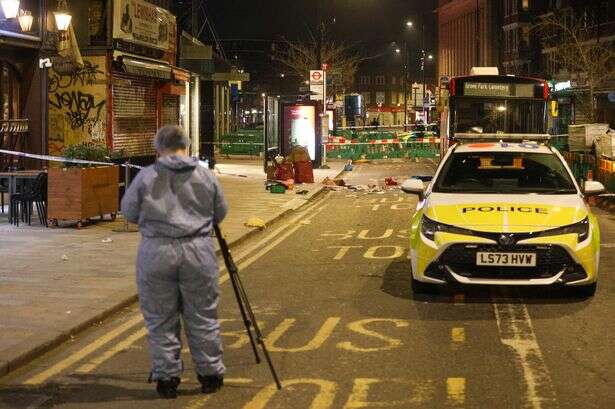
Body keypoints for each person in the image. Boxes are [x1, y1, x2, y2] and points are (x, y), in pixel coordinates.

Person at [121, 125, 228, 399]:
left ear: (158, 147)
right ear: (187, 145)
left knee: (160, 318)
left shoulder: (146, 177)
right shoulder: (206, 176)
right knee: (202, 315)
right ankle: (210, 374)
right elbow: (220, 212)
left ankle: (167, 378)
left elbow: (129, 211)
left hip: (157, 251)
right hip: (197, 250)